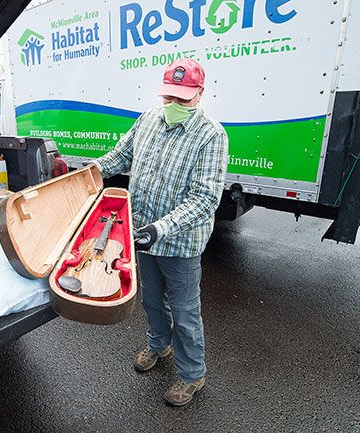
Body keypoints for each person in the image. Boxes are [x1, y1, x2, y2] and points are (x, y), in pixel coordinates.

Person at [94, 58, 228, 407]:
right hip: (143, 235)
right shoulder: (148, 120)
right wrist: (89, 172)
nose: (174, 105)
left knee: (185, 311)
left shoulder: (211, 135)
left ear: (200, 93)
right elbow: (119, 158)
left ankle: (192, 374)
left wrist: (162, 227)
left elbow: (206, 198)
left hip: (180, 242)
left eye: (183, 99)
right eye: (169, 97)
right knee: (152, 299)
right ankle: (158, 345)